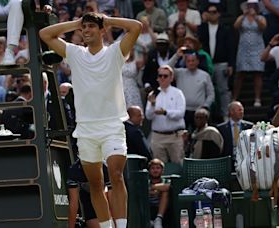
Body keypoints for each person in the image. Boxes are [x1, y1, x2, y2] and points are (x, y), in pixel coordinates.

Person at [39, 12, 142, 228]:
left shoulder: (115, 52)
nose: (86, 31)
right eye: (83, 28)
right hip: (85, 130)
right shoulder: (75, 53)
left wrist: (109, 21)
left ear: (101, 30)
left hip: (112, 126)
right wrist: (76, 24)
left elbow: (136, 27)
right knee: (95, 185)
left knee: (115, 175)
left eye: (90, 27)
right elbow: (45, 34)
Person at [145, 65, 186, 164]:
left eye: (165, 76)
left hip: (174, 136)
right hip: (158, 137)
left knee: (178, 165)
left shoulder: (177, 93)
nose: (162, 78)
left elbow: (180, 113)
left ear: (171, 78)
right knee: (159, 167)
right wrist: (153, 105)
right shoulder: (153, 94)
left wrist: (165, 112)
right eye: (160, 76)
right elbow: (148, 116)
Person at [234, 0, 267, 107]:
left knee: (257, 73)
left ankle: (257, 99)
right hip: (244, 48)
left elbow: (263, 27)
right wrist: (244, 15)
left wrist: (255, 17)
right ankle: (234, 98)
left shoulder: (261, 18)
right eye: (249, 5)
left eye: (253, 5)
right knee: (240, 73)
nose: (251, 7)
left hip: (257, 48)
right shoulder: (242, 17)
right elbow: (236, 26)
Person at [67, 159, 111, 228]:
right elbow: (73, 204)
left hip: (106, 195)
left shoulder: (106, 168)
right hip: (88, 196)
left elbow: (114, 199)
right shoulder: (75, 170)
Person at [217, 101, 253, 167]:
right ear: (231, 112)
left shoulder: (249, 126)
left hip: (244, 159)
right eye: (239, 110)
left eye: (242, 110)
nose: (242, 112)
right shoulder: (221, 128)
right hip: (227, 160)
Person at [148, 158, 170, 228]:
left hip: (162, 209)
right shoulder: (146, 181)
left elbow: (167, 187)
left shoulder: (165, 180)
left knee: (165, 192)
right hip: (149, 208)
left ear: (162, 170)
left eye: (158, 168)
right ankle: (149, 220)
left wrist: (152, 187)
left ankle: (158, 219)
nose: (155, 170)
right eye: (153, 168)